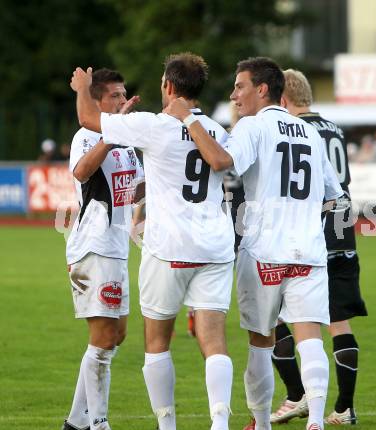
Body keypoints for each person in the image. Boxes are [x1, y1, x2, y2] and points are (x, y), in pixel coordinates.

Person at [165, 57, 343, 430]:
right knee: (309, 335)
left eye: (240, 86)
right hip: (309, 251)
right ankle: (315, 421)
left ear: (262, 89)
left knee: (261, 341)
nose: (234, 95)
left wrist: (189, 119)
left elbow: (224, 162)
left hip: (264, 250)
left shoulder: (253, 126)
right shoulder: (309, 131)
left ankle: (261, 423)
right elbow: (332, 193)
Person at [70, 53, 235, 430]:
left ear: (169, 86)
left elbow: (87, 120)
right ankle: (220, 422)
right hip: (214, 247)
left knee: (157, 341)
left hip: (169, 248)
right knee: (213, 340)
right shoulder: (215, 129)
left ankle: (167, 426)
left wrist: (82, 89)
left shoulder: (152, 125)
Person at [270, 69, 368, 426]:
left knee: (276, 316)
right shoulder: (335, 128)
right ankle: (344, 408)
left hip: (309, 234)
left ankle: (296, 395)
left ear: (283, 98)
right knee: (339, 322)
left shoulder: (297, 130)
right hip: (343, 233)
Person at [63, 68, 144, 430]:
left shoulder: (126, 143)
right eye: (115, 96)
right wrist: (110, 136)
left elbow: (136, 189)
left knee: (117, 335)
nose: (122, 101)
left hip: (116, 248)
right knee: (103, 339)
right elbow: (82, 172)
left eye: (124, 95)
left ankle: (75, 422)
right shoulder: (87, 135)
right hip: (93, 247)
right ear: (97, 101)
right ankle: (97, 423)